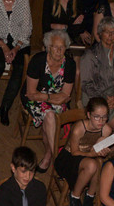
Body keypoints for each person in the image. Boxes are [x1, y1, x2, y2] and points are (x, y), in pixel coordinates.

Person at [21, 30, 76, 173]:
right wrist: (51, 98)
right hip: (35, 102)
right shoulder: (38, 61)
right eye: (55, 47)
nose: (59, 51)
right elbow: (31, 94)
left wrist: (46, 97)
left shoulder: (70, 64)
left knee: (49, 119)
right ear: (48, 47)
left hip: (53, 100)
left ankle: (49, 155)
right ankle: (58, 158)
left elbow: (66, 95)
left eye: (62, 47)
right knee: (50, 116)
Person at [54, 97, 112, 206]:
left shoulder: (106, 129)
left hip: (88, 158)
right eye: (97, 117)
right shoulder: (79, 128)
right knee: (92, 165)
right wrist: (93, 154)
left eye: (104, 117)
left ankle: (90, 194)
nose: (101, 121)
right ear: (89, 115)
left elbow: (99, 151)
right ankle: (75, 195)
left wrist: (103, 150)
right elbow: (75, 152)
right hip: (69, 158)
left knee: (98, 163)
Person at [79, 17, 114, 130]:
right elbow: (86, 84)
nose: (110, 35)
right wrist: (105, 100)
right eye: (107, 32)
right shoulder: (90, 55)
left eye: (113, 32)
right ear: (100, 33)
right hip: (96, 98)